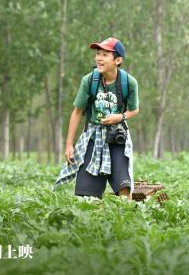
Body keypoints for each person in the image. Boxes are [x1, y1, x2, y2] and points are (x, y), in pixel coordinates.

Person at [56, 37, 139, 200]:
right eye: (98, 53)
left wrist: (119, 117)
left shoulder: (128, 83)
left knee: (124, 188)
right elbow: (77, 112)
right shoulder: (89, 80)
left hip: (117, 137)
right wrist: (68, 145)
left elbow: (134, 110)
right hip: (93, 137)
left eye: (105, 54)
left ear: (118, 60)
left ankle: (125, 219)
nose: (99, 58)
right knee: (86, 195)